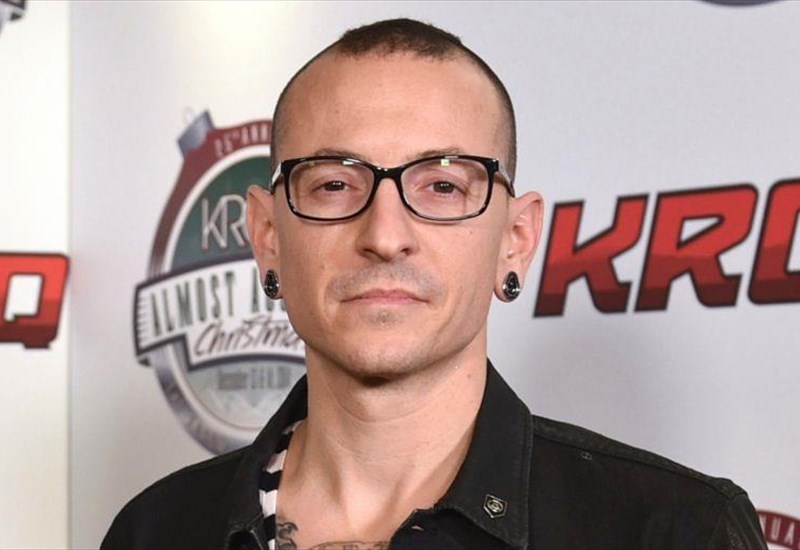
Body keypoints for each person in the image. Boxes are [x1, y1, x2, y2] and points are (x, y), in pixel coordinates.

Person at [102, 18, 766, 550]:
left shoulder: (676, 530)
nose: (385, 234)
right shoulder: (156, 530)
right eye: (334, 184)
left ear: (515, 239)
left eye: (443, 185)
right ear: (268, 235)